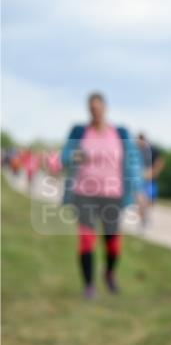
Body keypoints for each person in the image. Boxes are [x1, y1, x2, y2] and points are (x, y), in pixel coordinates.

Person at [60, 92, 142, 299]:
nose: (95, 111)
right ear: (89, 110)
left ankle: (109, 274)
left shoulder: (120, 133)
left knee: (112, 242)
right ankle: (88, 286)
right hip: (84, 193)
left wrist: (137, 189)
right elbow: (65, 157)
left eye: (98, 107)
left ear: (105, 108)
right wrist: (75, 156)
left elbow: (132, 162)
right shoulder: (79, 132)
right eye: (91, 108)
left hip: (112, 194)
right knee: (87, 239)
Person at [135, 132, 165, 231]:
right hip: (138, 179)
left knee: (150, 201)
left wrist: (154, 172)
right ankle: (143, 220)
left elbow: (160, 162)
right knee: (140, 200)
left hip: (150, 179)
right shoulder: (134, 150)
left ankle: (146, 217)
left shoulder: (152, 149)